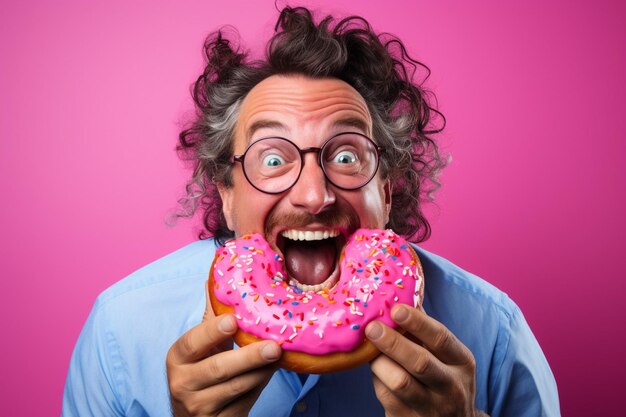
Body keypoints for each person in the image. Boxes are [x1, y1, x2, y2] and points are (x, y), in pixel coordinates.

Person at [62, 6, 560, 417]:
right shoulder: (121, 331)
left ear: (386, 189)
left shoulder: (491, 332)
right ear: (228, 193)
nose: (314, 195)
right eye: (273, 159)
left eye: (346, 156)